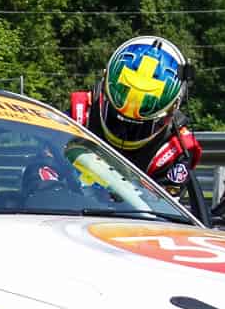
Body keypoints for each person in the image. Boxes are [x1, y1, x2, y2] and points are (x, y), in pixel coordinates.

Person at [86, 35, 204, 214]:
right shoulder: (80, 112)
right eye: (115, 117)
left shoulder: (176, 149)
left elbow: (162, 212)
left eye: (139, 127)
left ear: (174, 107)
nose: (125, 132)